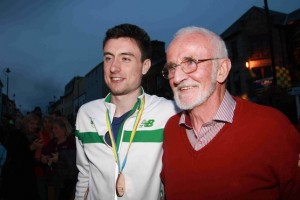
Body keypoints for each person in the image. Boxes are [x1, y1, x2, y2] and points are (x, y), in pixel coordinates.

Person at [160, 26, 300, 200]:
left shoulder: (272, 127)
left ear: (221, 70)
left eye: (190, 62)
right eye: (172, 67)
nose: (177, 77)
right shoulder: (171, 129)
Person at [74, 23, 179, 200]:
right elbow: (84, 176)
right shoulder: (86, 114)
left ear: (145, 66)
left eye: (125, 58)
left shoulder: (168, 112)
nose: (113, 67)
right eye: (108, 58)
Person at [41, 116, 77, 200]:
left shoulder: (71, 142)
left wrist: (60, 158)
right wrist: (44, 159)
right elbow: (44, 154)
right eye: (53, 128)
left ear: (64, 129)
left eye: (56, 128)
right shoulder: (53, 142)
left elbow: (74, 161)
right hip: (52, 181)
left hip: (66, 182)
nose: (53, 130)